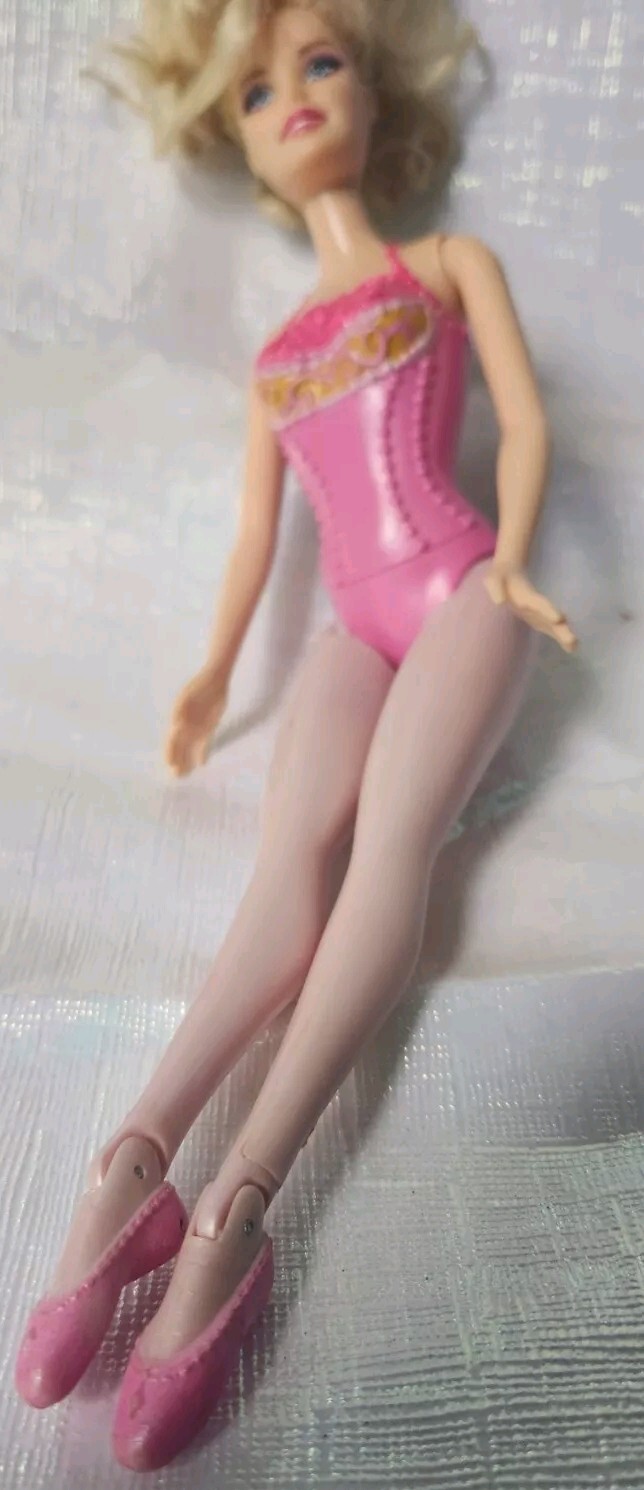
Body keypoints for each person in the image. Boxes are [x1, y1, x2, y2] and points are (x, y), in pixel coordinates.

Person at [15, 0, 577, 1470]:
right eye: (258, 92)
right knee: (285, 868)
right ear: (243, 143)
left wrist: (520, 564)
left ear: (376, 97)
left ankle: (240, 1200)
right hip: (350, 624)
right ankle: (132, 1158)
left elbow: (524, 425)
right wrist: (213, 673)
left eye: (320, 63)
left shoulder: (447, 265)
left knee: (390, 849)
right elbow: (260, 542)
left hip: (462, 587)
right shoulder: (276, 356)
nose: (295, 99)